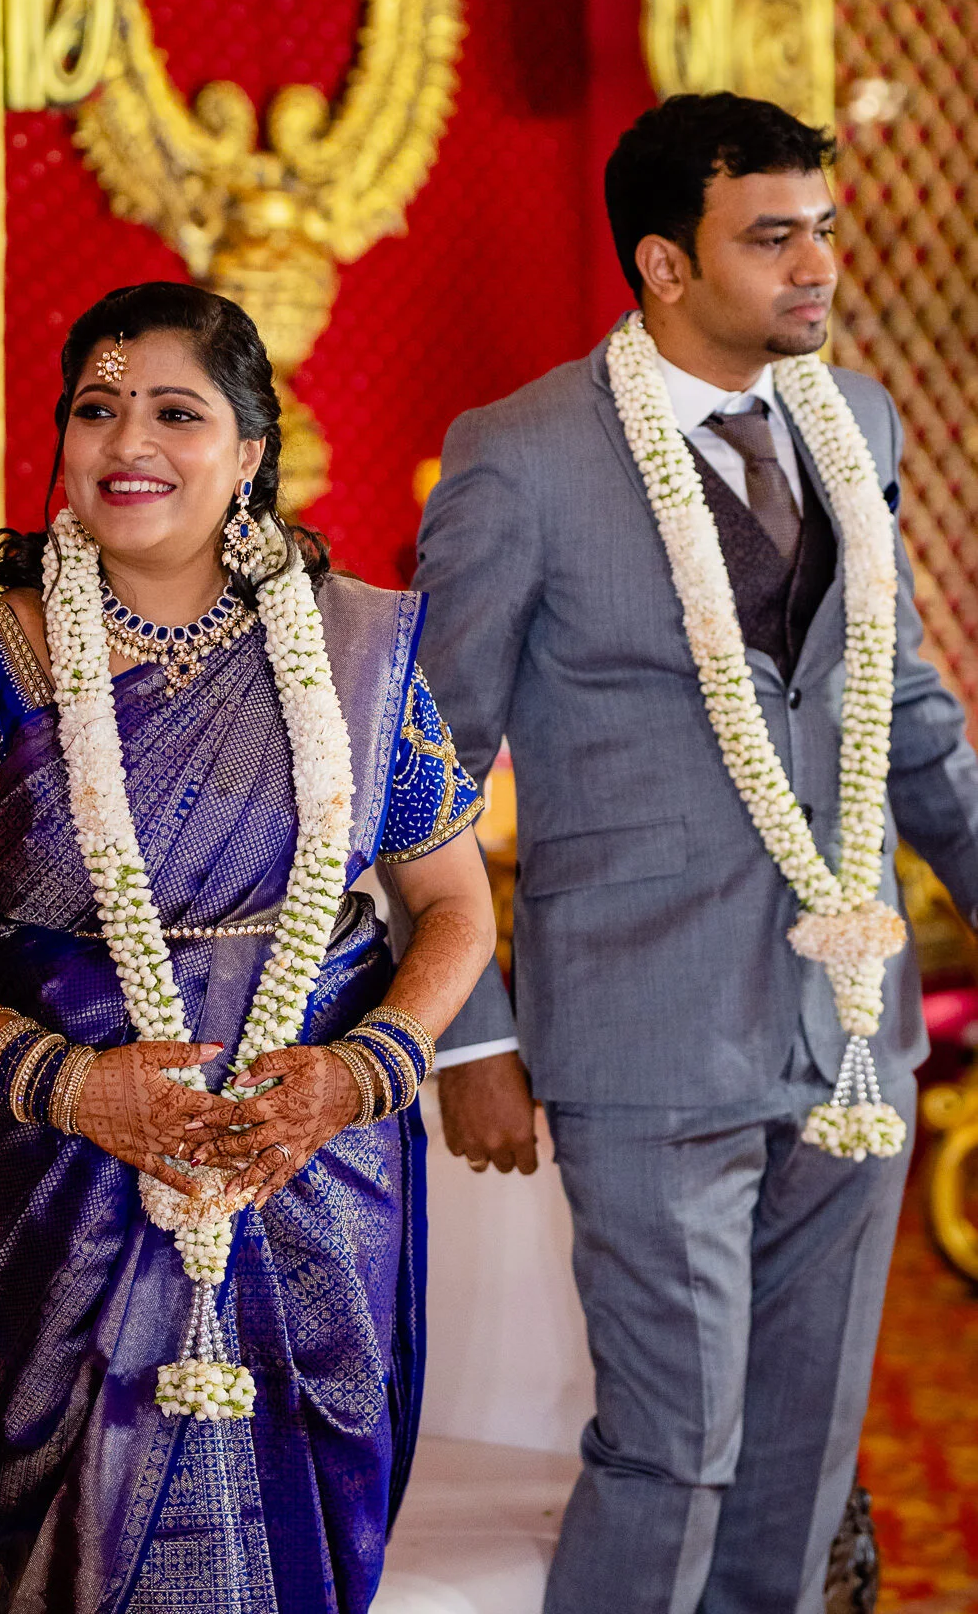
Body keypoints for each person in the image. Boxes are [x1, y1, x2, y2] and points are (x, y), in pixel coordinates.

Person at [414, 93, 978, 1614]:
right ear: (666, 264)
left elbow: (898, 693)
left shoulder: (854, 421)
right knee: (673, 1453)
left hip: (851, 1040)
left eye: (825, 231)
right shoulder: (518, 459)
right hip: (643, 1039)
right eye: (773, 236)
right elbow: (429, 773)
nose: (818, 268)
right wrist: (474, 1033)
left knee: (797, 1466)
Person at [0, 281, 495, 1614]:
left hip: (312, 1168)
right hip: (59, 1183)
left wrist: (356, 1075)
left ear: (250, 453)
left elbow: (457, 905)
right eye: (96, 408)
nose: (126, 442)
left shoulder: (362, 656)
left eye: (175, 412)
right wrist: (72, 1087)